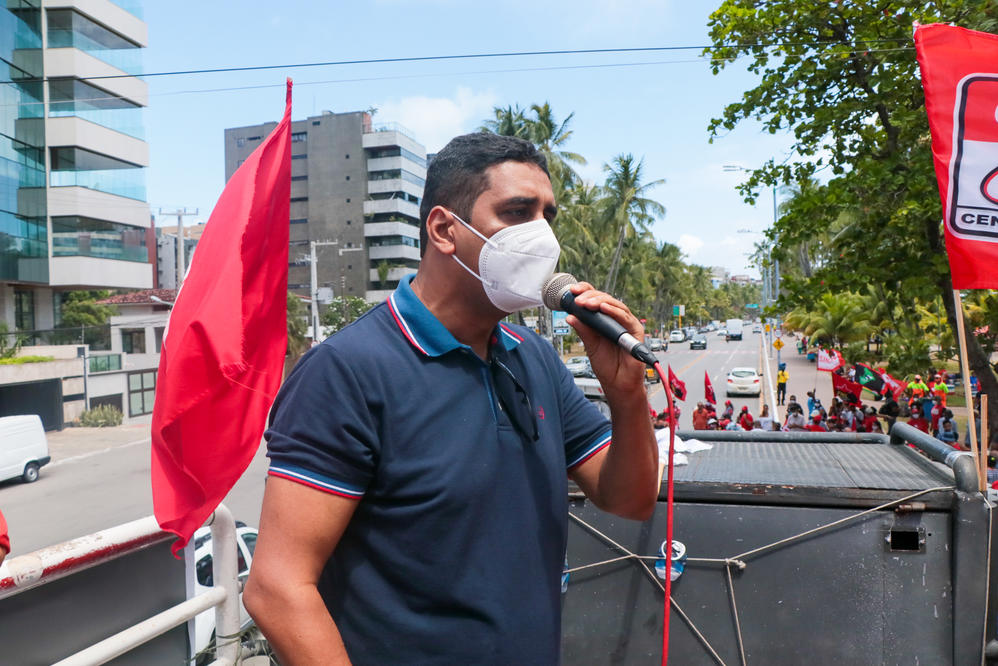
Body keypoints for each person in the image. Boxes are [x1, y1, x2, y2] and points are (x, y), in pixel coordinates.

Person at [244, 133, 658, 665]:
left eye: (546, 216)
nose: (542, 236)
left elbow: (630, 499)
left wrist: (627, 398)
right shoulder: (348, 372)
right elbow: (278, 587)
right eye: (517, 212)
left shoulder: (534, 358)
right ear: (443, 230)